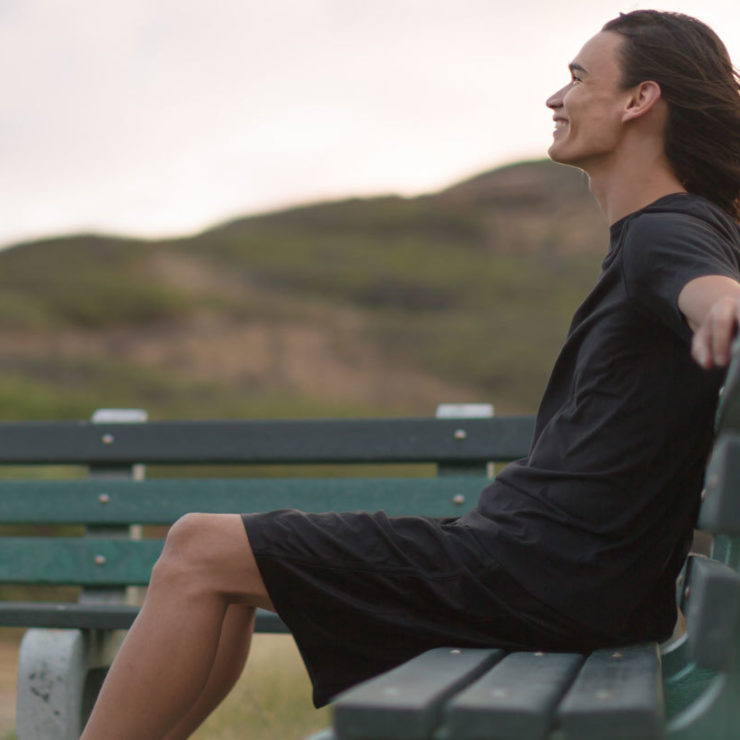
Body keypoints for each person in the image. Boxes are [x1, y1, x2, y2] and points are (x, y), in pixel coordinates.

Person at [81, 10, 740, 739]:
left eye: (579, 78)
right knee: (222, 568)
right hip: (557, 572)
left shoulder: (665, 229)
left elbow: (710, 291)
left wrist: (723, 309)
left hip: (541, 576)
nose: (557, 98)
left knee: (199, 549)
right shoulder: (670, 228)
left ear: (638, 100)